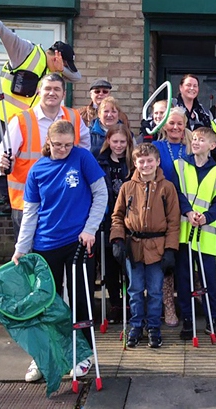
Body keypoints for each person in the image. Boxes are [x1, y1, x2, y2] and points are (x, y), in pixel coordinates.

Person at [11, 120, 107, 382]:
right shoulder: (37, 170)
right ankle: (43, 357)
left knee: (80, 298)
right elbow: (30, 212)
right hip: (45, 243)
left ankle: (84, 354)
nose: (63, 149)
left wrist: (90, 229)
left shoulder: (83, 157)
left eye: (68, 144)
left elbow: (101, 194)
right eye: (58, 145)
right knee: (45, 304)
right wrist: (21, 248)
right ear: (48, 143)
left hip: (78, 240)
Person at [0, 73, 91, 239]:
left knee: (55, 257)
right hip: (28, 203)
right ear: (38, 91)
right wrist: (1, 163)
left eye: (57, 89)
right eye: (48, 89)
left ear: (63, 94)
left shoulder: (74, 117)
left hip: (62, 201)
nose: (52, 93)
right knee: (28, 257)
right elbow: (0, 154)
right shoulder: (22, 120)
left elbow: (85, 150)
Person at [110, 143, 181, 348]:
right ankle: (136, 325)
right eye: (141, 161)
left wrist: (170, 249)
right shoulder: (127, 187)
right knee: (135, 289)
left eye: (150, 160)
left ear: (157, 162)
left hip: (157, 247)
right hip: (133, 247)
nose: (146, 165)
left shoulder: (167, 188)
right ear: (135, 163)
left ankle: (153, 327)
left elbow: (174, 222)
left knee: (156, 290)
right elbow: (118, 216)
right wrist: (117, 239)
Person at [170, 127, 216, 341]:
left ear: (212, 146)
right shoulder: (179, 166)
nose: (195, 142)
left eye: (201, 140)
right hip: (183, 231)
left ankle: (213, 319)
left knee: (208, 280)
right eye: (194, 139)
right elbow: (176, 192)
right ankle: (188, 319)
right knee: (184, 278)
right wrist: (188, 211)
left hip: (205, 233)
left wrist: (207, 217)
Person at [0, 4, 81, 120]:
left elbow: (76, 77)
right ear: (57, 57)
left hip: (28, 122)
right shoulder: (28, 52)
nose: (63, 68)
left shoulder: (55, 71)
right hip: (4, 119)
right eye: (64, 64)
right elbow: (10, 38)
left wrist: (62, 69)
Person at [152, 106, 193, 327]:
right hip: (163, 210)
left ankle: (188, 306)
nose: (175, 127)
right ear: (163, 125)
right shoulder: (156, 147)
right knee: (165, 258)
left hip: (189, 210)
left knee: (185, 260)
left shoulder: (191, 147)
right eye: (171, 123)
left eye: (179, 123)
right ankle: (168, 306)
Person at [96, 125, 134, 324]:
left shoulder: (132, 163)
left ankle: (130, 302)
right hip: (107, 219)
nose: (118, 146)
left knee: (127, 264)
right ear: (108, 141)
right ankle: (115, 303)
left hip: (128, 220)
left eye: (122, 142)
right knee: (109, 265)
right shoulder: (100, 162)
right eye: (115, 141)